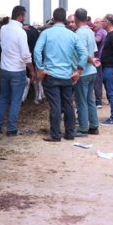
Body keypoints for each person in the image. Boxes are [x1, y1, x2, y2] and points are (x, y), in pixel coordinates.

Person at [33, 7, 87, 142]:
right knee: (68, 104)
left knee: (55, 105)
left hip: (50, 75)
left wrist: (40, 68)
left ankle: (56, 134)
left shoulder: (46, 33)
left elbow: (36, 51)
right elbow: (84, 53)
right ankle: (70, 133)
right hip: (67, 75)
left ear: (53, 18)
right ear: (65, 20)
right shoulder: (73, 35)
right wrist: (79, 70)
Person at [0, 5, 36, 137]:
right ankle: (11, 129)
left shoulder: (3, 29)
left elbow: (9, 36)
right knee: (16, 100)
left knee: (3, 98)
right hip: (17, 70)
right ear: (21, 16)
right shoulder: (21, 33)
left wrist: (22, 28)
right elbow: (25, 55)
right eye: (24, 16)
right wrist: (32, 70)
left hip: (4, 69)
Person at [73, 8, 99, 137]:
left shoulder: (79, 34)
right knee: (90, 100)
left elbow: (83, 54)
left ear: (76, 18)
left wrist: (79, 69)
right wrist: (92, 61)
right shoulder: (90, 32)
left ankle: (83, 128)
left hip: (83, 71)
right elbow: (92, 51)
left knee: (81, 101)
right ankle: (94, 126)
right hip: (92, 71)